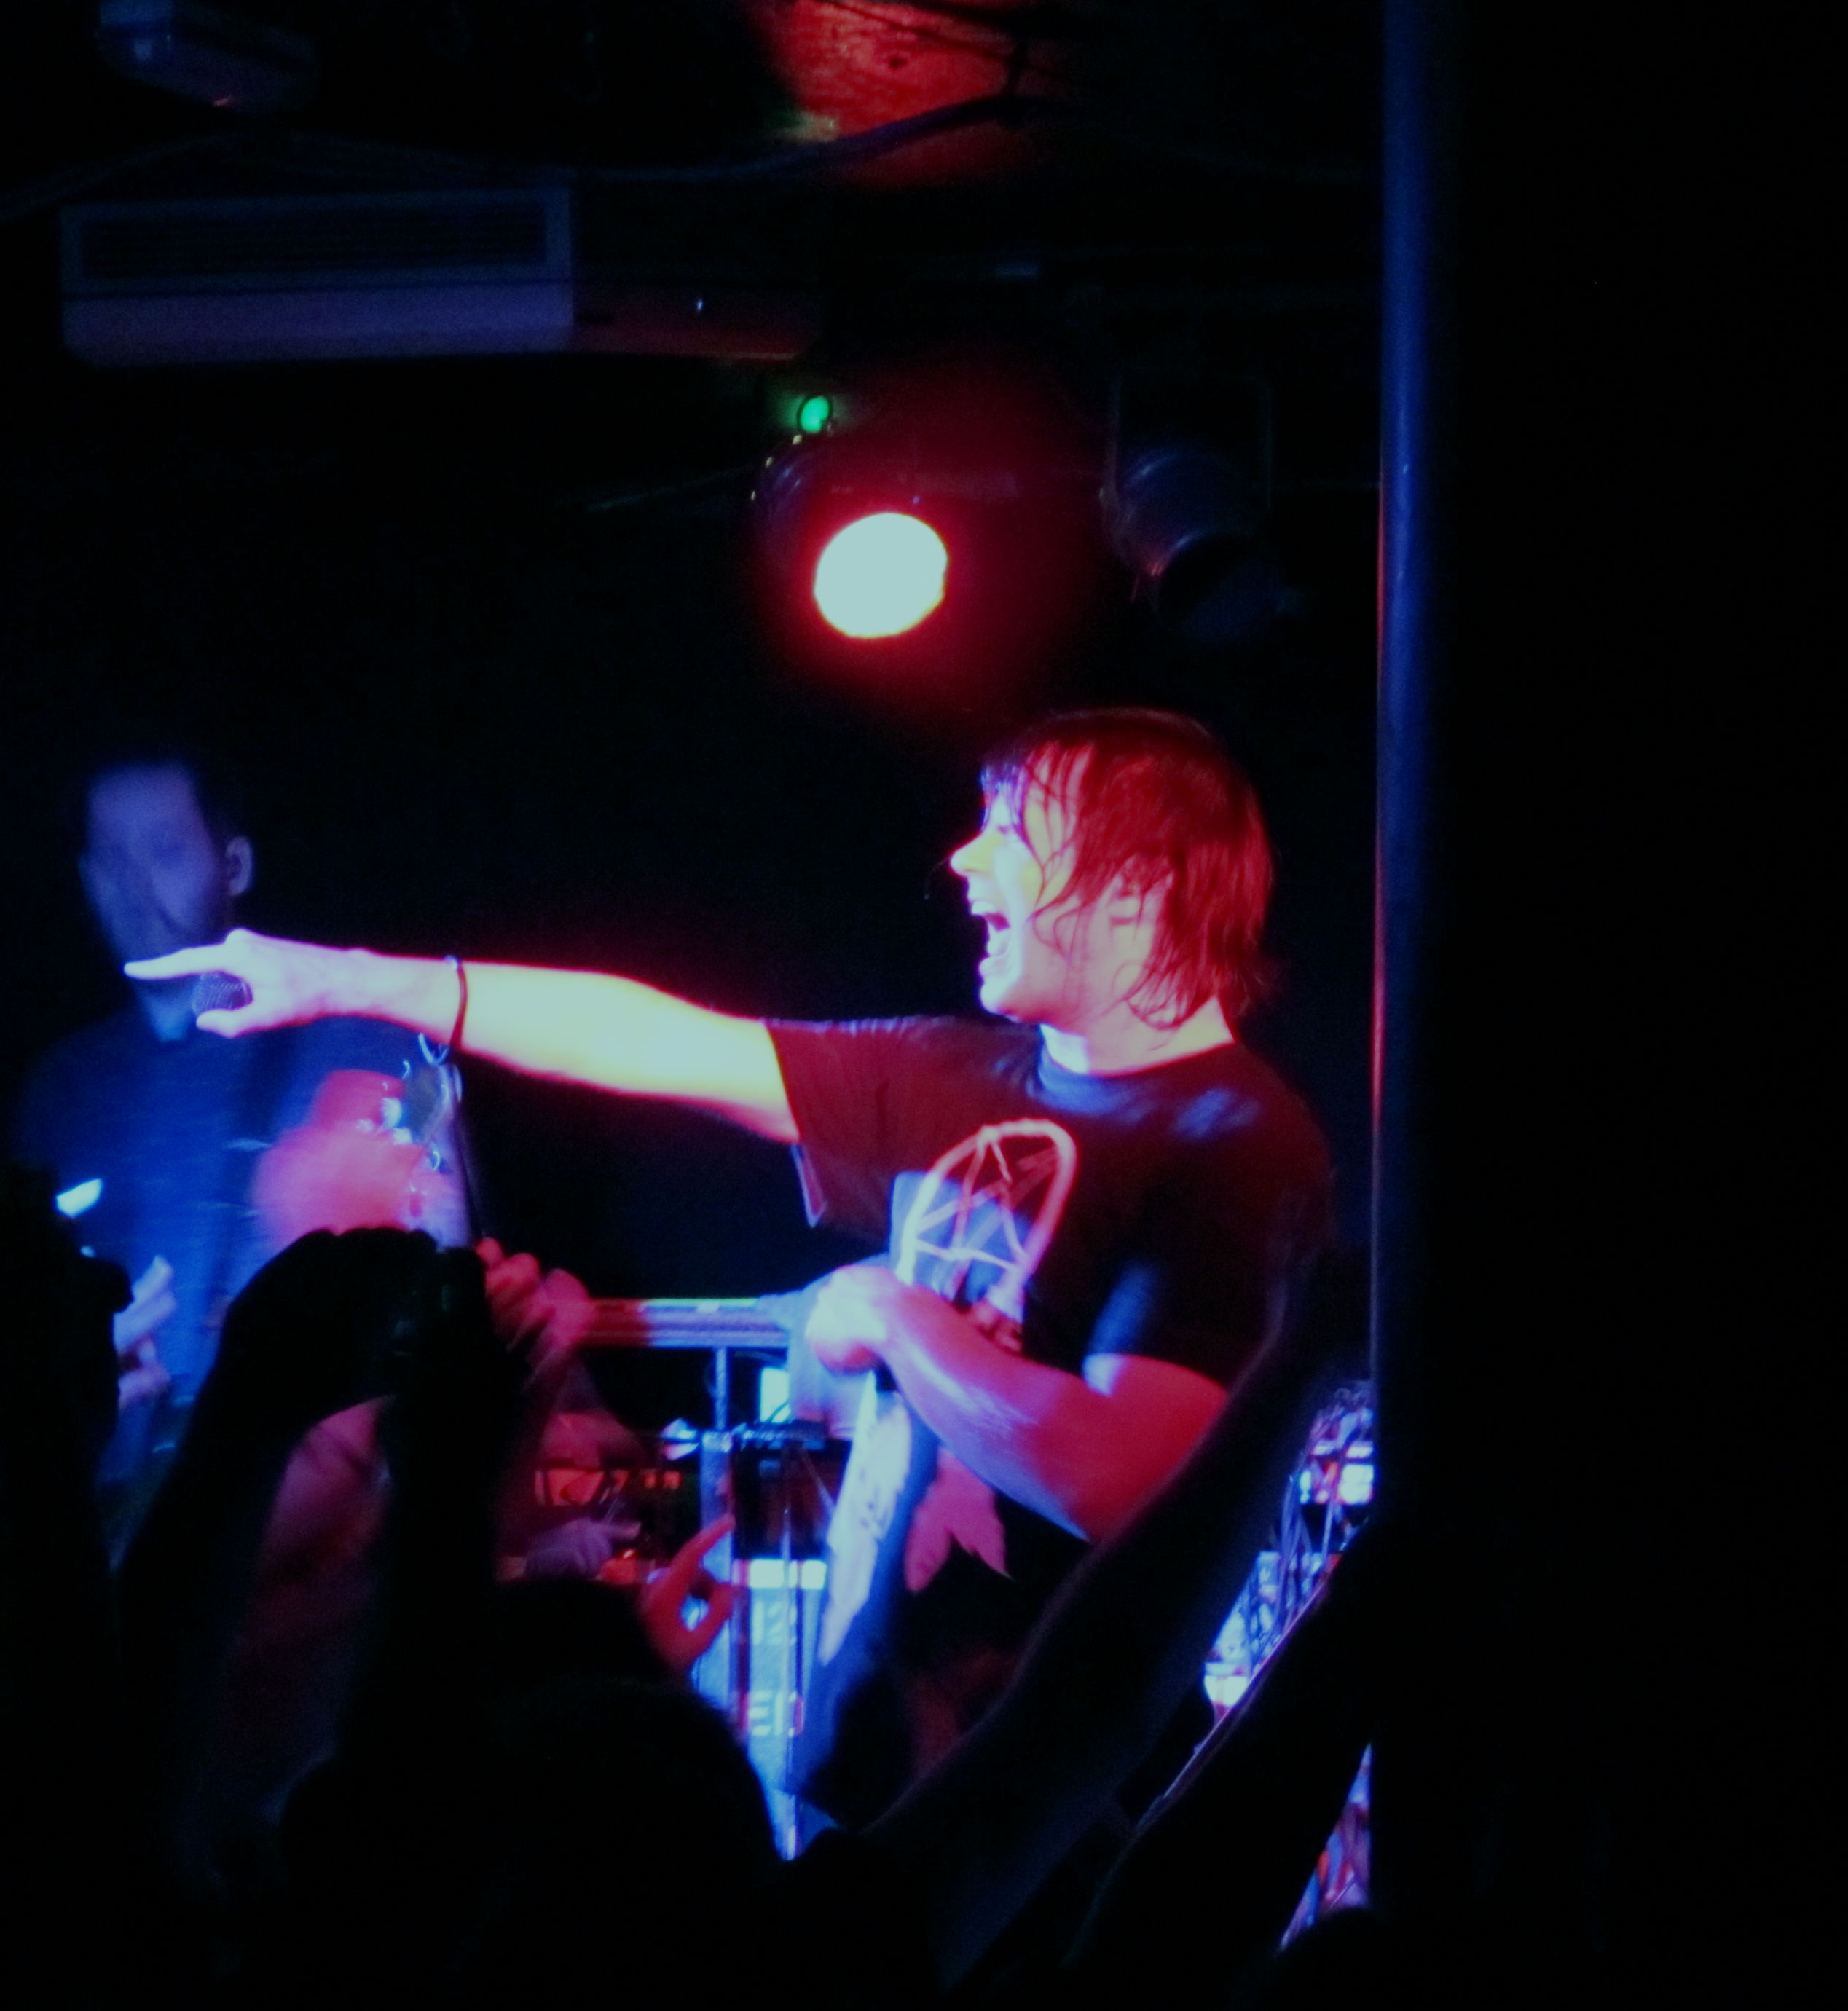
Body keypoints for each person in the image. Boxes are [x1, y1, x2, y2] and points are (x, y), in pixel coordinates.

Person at [130, 707, 1332, 1821]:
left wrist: (893, 1314)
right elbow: (650, 1038)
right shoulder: (959, 1072)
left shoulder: (1235, 1140)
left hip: (1046, 1810)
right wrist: (343, 980)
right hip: (867, 1760)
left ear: (1137, 888)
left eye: (1014, 832)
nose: (967, 861)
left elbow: (1118, 1477)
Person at [16, 749, 468, 1506]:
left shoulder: (378, 1041)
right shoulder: (60, 1087)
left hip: (317, 1506)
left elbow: (449, 1279)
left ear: (235, 865)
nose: (134, 887)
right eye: (110, 861)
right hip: (103, 1514)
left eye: (163, 851)